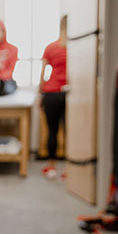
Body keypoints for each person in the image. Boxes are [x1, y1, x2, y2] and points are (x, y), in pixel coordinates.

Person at [40, 15, 69, 179]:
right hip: (68, 93)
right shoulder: (75, 48)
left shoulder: (50, 47)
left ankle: (51, 167)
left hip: (50, 93)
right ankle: (69, 169)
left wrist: (40, 94)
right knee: (68, 131)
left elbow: (42, 75)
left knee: (53, 130)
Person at [0, 20, 19, 96]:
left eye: (0, 31)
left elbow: (10, 69)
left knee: (8, 86)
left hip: (6, 81)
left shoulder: (13, 49)